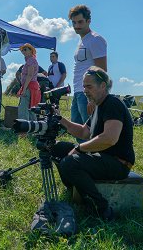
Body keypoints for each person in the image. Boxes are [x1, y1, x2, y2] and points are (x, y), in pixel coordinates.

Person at [50, 67, 134, 221]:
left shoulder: (112, 103)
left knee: (70, 163)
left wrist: (79, 148)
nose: (85, 90)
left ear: (103, 86)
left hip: (118, 163)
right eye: (84, 86)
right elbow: (83, 132)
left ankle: (101, 207)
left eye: (89, 86)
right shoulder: (99, 106)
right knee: (56, 148)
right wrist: (60, 119)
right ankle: (75, 188)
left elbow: (109, 138)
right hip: (102, 157)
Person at [69, 5, 107, 126]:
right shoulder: (82, 41)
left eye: (80, 22)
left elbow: (101, 70)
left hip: (88, 92)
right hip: (78, 91)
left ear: (88, 21)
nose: (76, 26)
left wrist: (93, 97)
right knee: (78, 129)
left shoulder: (95, 39)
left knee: (91, 132)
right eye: (74, 23)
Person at [17, 43, 41, 121]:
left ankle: (24, 129)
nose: (23, 51)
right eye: (22, 50)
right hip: (32, 86)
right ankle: (33, 128)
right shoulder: (32, 60)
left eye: (25, 49)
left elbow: (30, 75)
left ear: (31, 51)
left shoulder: (30, 60)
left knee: (23, 108)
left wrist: (24, 89)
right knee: (31, 108)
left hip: (29, 87)